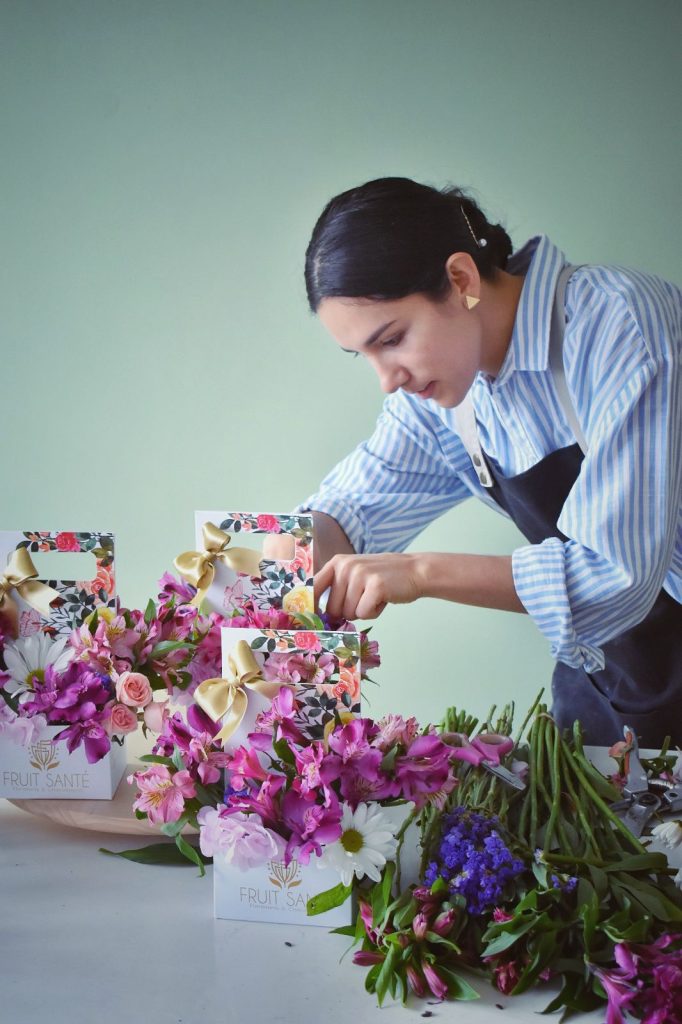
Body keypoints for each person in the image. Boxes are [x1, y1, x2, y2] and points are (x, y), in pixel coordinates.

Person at [296, 176, 682, 747]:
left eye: (394, 338)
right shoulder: (443, 391)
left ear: (461, 279)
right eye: (365, 356)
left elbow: (617, 576)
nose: (387, 380)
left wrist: (422, 573)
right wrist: (287, 555)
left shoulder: (617, 322)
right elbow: (355, 503)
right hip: (611, 680)